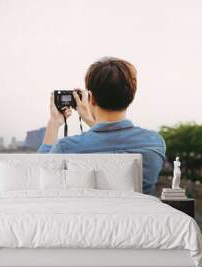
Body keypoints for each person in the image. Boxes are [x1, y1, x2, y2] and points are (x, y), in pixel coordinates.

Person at [38, 57, 166, 195]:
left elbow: (39, 172)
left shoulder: (65, 148)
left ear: (91, 98)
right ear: (131, 96)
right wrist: (89, 118)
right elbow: (111, 140)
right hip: (139, 216)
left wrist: (54, 122)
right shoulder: (154, 143)